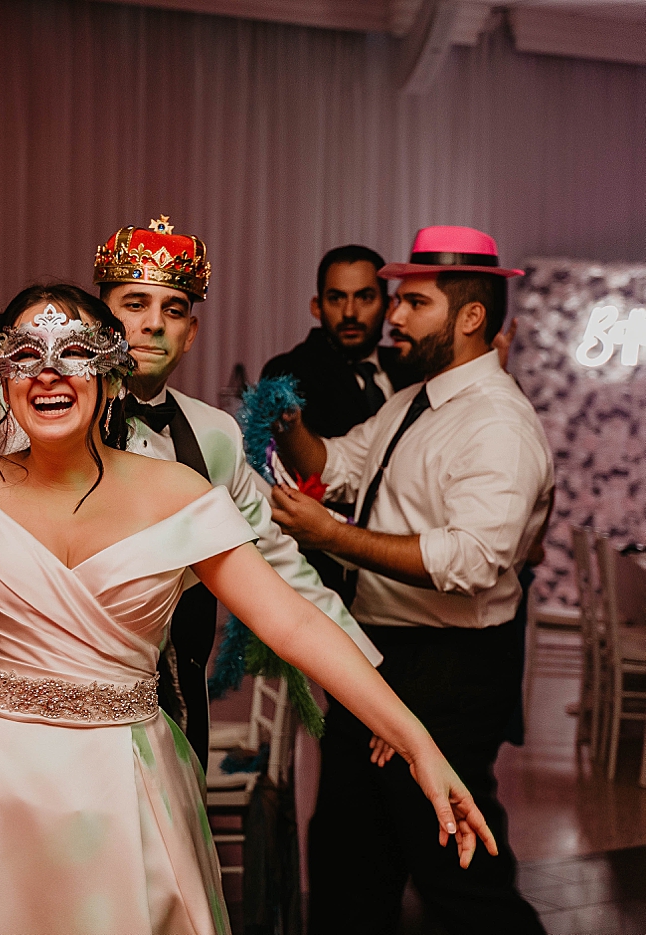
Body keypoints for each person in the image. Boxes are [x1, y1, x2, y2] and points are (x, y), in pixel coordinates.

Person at [0, 236, 495, 935]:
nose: (50, 370)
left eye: (75, 352)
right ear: (2, 373)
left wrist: (418, 741)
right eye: (27, 355)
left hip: (122, 792)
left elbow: (294, 623)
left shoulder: (177, 492)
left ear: (107, 372)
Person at [0, 220, 381, 769]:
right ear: (105, 320)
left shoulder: (214, 437)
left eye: (172, 309)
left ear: (191, 332)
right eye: (134, 304)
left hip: (140, 701)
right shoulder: (25, 388)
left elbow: (276, 565)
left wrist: (372, 686)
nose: (151, 324)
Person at [269, 226, 552, 934]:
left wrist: (334, 537)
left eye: (411, 302)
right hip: (388, 654)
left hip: (447, 669)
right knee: (347, 865)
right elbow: (336, 462)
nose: (392, 316)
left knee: (460, 880)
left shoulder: (497, 425)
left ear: (470, 316)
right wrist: (289, 422)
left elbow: (470, 561)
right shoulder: (412, 402)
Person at [261, 245, 418, 600]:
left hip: (405, 573)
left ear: (389, 304)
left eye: (364, 297)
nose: (350, 312)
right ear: (317, 306)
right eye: (337, 298)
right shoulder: (290, 372)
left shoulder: (411, 367)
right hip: (322, 572)